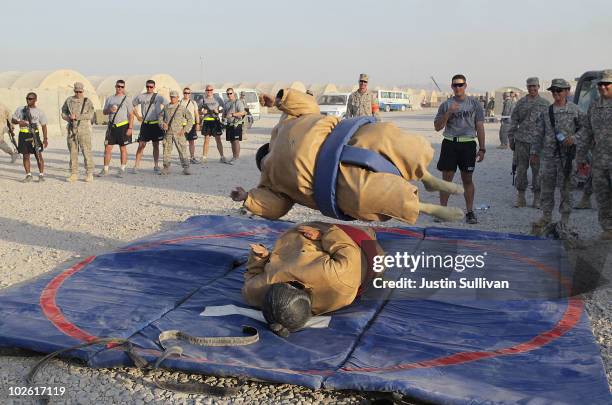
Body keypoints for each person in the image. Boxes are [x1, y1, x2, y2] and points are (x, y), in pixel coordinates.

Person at [230, 88, 464, 224]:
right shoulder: (269, 182)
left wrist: (281, 99)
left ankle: (426, 178)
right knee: (365, 196)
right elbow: (276, 206)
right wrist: (247, 198)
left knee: (387, 137)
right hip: (331, 181)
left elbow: (307, 103)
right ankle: (426, 206)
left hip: (344, 137)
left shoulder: (284, 124)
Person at [243, 222, 382, 337]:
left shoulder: (258, 291)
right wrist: (324, 235)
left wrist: (260, 257)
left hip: (297, 241)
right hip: (359, 249)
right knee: (370, 244)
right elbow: (347, 248)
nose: (286, 279)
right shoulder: (336, 276)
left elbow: (252, 275)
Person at [531, 79, 585, 231]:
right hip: (549, 157)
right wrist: (535, 152)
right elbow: (539, 133)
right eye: (553, 90)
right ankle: (546, 216)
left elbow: (585, 129)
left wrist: (574, 139)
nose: (556, 93)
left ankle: (565, 219)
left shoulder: (576, 110)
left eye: (559, 90)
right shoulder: (547, 112)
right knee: (546, 187)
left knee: (566, 188)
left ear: (567, 91)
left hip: (567, 157)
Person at [433, 74, 486, 224]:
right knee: (446, 180)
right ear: (451, 87)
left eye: (460, 85)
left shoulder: (475, 104)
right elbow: (437, 127)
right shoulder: (445, 105)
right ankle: (443, 211)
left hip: (468, 144)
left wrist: (482, 148)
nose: (458, 87)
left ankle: (470, 212)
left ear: (465, 86)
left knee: (467, 179)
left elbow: (480, 126)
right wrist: (448, 113)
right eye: (455, 85)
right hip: (450, 143)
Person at [577, 69, 612, 240]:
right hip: (600, 160)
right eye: (600, 84)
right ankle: (608, 229)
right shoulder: (595, 105)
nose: (603, 87)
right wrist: (581, 156)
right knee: (602, 195)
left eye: (607, 84)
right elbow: (587, 133)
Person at [508, 77, 551, 208]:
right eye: (530, 86)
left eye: (535, 86)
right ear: (527, 87)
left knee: (537, 171)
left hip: (538, 143)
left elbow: (549, 124)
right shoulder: (521, 103)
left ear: (538, 87)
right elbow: (514, 121)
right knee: (521, 169)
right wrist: (511, 139)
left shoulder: (545, 104)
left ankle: (537, 198)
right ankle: (521, 197)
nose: (532, 88)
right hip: (522, 141)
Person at [98, 79, 134, 178]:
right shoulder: (110, 99)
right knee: (108, 148)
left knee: (123, 148)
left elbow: (131, 115)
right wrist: (110, 109)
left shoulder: (127, 99)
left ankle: (122, 169)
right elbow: (104, 112)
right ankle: (105, 169)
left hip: (123, 126)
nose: (120, 88)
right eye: (118, 86)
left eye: (122, 87)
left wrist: (130, 128)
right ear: (115, 86)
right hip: (111, 126)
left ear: (124, 88)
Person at [61, 82, 95, 182]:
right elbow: (63, 113)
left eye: (80, 91)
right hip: (72, 130)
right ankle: (73, 173)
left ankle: (89, 173)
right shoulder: (69, 100)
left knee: (86, 152)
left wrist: (77, 117)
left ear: (83, 91)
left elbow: (90, 115)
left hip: (84, 130)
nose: (78, 93)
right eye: (76, 91)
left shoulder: (87, 101)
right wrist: (68, 118)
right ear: (74, 91)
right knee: (73, 152)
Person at [11, 92, 48, 183]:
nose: (28, 100)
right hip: (23, 135)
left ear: (35, 100)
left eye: (30, 99)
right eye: (27, 98)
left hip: (34, 135)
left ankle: (41, 175)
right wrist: (19, 122)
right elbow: (13, 119)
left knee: (38, 155)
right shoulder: (20, 109)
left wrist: (45, 139)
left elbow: (44, 125)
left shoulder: (39, 112)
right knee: (25, 156)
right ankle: (28, 175)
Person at [132, 79, 167, 173]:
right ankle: (136, 166)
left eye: (151, 87)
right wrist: (138, 116)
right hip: (145, 124)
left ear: (154, 87)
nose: (149, 88)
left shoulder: (159, 97)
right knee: (141, 145)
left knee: (156, 145)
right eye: (147, 86)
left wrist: (163, 118)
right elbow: (132, 105)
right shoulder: (141, 96)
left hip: (156, 124)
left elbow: (168, 106)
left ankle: (156, 165)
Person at [158, 90, 193, 175]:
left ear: (178, 98)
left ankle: (186, 167)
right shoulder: (166, 107)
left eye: (174, 97)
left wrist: (185, 130)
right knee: (166, 150)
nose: (173, 98)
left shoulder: (182, 108)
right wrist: (162, 124)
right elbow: (160, 117)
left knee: (182, 150)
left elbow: (190, 119)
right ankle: (166, 167)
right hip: (168, 133)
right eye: (171, 97)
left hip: (179, 133)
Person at [200, 84, 226, 163]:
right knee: (206, 140)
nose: (209, 91)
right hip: (207, 120)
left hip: (215, 121)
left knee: (218, 139)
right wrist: (202, 112)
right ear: (205, 91)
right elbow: (198, 110)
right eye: (207, 90)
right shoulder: (203, 100)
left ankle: (222, 157)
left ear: (213, 90)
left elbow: (224, 109)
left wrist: (218, 111)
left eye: (210, 90)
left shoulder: (218, 99)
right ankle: (204, 157)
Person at [223, 88, 246, 164]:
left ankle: (237, 158)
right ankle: (234, 157)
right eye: (228, 94)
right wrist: (223, 117)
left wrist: (233, 114)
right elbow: (224, 113)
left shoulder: (238, 102)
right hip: (229, 124)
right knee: (232, 141)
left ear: (234, 93)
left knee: (236, 141)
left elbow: (243, 112)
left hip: (236, 124)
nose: (229, 95)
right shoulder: (226, 103)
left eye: (230, 93)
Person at [179, 87, 200, 164]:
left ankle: (192, 157)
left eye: (188, 93)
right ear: (183, 93)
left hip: (191, 124)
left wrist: (198, 124)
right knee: (182, 142)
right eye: (185, 93)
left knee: (191, 142)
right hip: (181, 125)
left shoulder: (193, 103)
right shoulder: (179, 102)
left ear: (190, 94)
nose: (186, 94)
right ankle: (183, 158)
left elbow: (196, 114)